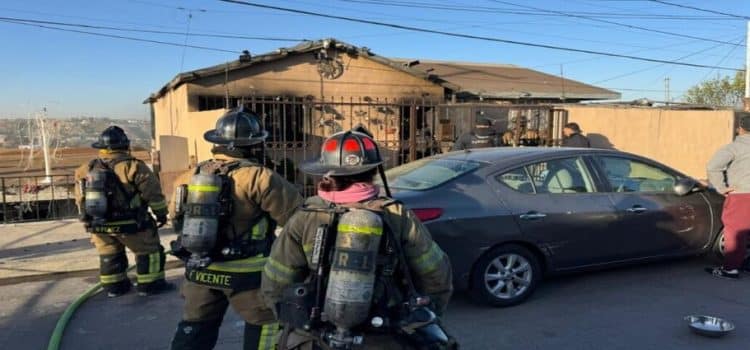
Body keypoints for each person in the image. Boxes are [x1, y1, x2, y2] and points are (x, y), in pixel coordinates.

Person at [262, 127, 455, 350]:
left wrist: (292, 320)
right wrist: (429, 314)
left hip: (318, 335)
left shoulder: (306, 216)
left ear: (328, 173)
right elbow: (436, 273)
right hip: (384, 333)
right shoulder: (396, 215)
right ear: (373, 170)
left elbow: (276, 279)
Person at [169, 107, 303, 350]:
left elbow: (175, 217)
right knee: (266, 324)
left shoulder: (191, 175)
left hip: (201, 269)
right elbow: (296, 220)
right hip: (247, 274)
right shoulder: (260, 177)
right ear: (253, 145)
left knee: (195, 326)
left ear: (218, 142)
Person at [74, 126, 171, 297]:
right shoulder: (134, 167)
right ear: (125, 146)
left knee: (109, 254)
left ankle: (114, 288)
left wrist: (87, 220)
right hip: (131, 223)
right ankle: (150, 285)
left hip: (99, 224)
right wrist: (161, 214)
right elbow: (153, 194)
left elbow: (80, 198)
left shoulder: (85, 169)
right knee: (149, 252)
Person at [706, 114, 750, 279]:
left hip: (742, 195)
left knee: (735, 232)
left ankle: (730, 268)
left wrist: (721, 187)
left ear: (739, 128)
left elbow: (713, 166)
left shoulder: (734, 148)